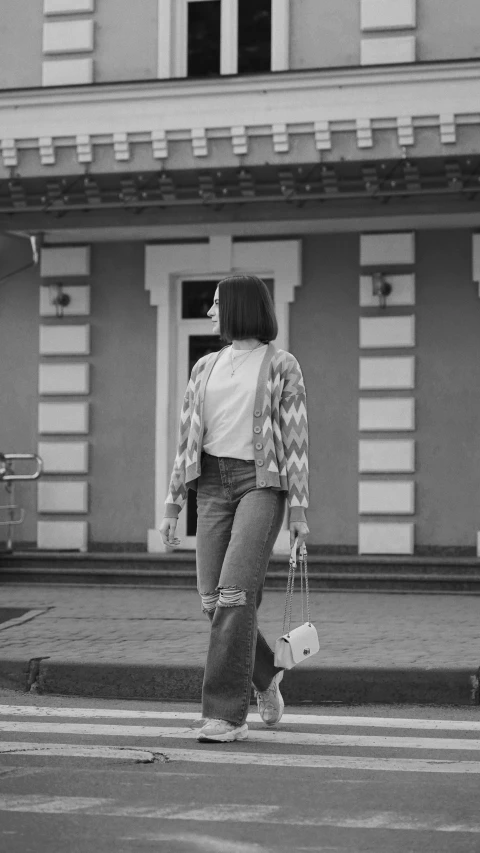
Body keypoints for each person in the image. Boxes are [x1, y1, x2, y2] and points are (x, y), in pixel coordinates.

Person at [159, 274, 309, 743]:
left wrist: (299, 510)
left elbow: (297, 441)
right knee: (212, 598)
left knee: (235, 594)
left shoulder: (282, 365)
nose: (209, 312)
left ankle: (225, 715)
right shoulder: (204, 366)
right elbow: (187, 438)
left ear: (242, 307)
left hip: (260, 485)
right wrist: (171, 503)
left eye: (217, 304)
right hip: (210, 485)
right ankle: (265, 676)